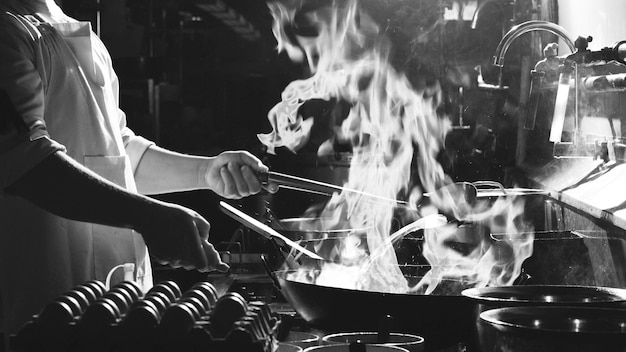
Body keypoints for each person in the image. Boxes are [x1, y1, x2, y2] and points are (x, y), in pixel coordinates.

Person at [0, 0, 272, 343]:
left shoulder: (73, 33)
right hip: (39, 313)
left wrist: (206, 172)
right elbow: (27, 164)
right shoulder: (7, 30)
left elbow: (116, 154)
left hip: (117, 312)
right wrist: (147, 217)